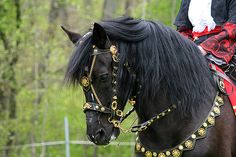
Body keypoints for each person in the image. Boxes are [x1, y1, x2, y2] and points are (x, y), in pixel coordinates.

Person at [174, 0, 236, 85]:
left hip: (225, 47)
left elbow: (233, 29)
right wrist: (189, 48)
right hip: (193, 47)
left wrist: (205, 48)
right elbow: (183, 29)